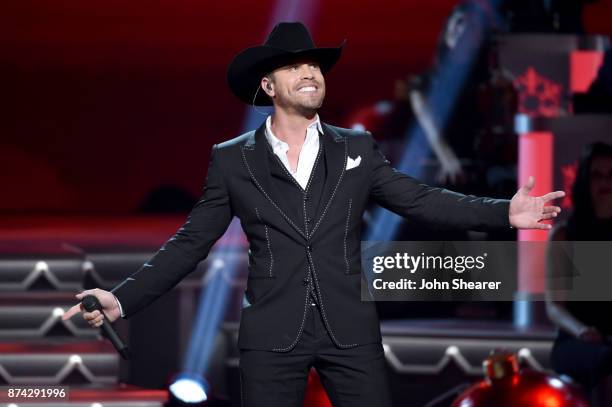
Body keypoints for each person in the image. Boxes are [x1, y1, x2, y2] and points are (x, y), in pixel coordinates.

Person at [63, 22, 565, 407]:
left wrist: (505, 214)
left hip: (349, 330)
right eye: (294, 66)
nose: (310, 73)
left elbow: (420, 199)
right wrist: (122, 299)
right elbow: (191, 242)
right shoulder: (233, 159)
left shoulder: (357, 148)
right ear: (268, 85)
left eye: (316, 66)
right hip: (272, 336)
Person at [546, 142, 612, 406]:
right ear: (585, 180)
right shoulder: (565, 235)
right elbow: (554, 308)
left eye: (611, 175)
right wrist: (583, 331)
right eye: (597, 175)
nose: (605, 182)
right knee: (607, 359)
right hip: (576, 340)